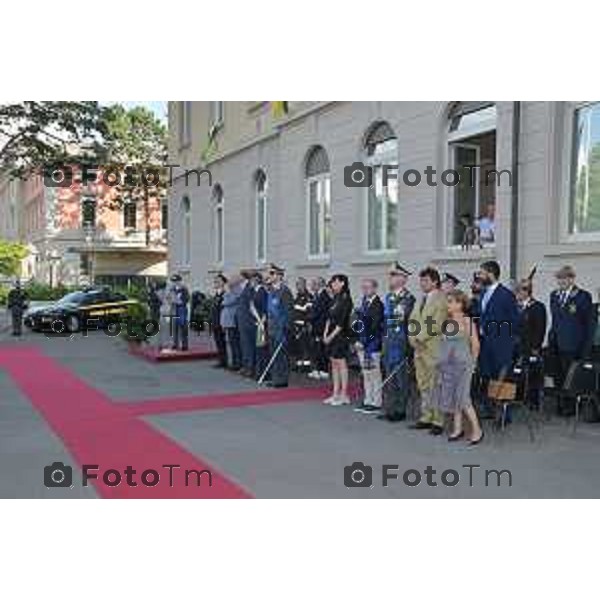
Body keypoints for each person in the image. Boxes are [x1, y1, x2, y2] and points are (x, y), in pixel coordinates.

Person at [432, 290, 484, 444]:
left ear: (460, 304)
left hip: (464, 365)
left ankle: (477, 430)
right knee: (454, 397)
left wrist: (473, 364)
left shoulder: (468, 321)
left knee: (464, 398)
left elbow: (475, 345)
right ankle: (457, 429)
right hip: (448, 365)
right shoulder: (446, 322)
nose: (447, 304)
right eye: (447, 301)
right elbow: (443, 344)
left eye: (451, 301)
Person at [548, 265, 595, 415]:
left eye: (563, 278)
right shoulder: (554, 295)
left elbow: (588, 324)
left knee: (571, 376)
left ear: (571, 279)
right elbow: (555, 319)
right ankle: (561, 403)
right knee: (559, 376)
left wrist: (585, 348)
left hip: (573, 345)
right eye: (558, 278)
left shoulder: (582, 296)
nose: (560, 281)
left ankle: (572, 406)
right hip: (557, 343)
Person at [477, 260, 520, 420]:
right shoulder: (483, 293)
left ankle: (504, 413)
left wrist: (505, 340)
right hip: (485, 343)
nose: (479, 276)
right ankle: (489, 409)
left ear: (490, 273)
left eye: (481, 273)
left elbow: (514, 321)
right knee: (487, 376)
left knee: (502, 378)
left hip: (501, 345)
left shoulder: (506, 295)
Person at [409, 266, 448, 434]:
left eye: (425, 280)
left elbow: (437, 323)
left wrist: (420, 338)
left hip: (433, 348)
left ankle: (438, 420)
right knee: (423, 385)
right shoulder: (421, 299)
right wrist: (413, 339)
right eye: (421, 280)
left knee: (435, 385)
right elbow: (412, 320)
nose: (422, 283)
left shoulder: (441, 300)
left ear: (435, 281)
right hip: (419, 349)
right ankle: (426, 416)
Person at [379, 263, 416, 422]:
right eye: (390, 275)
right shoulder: (388, 297)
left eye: (394, 275)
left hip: (401, 342)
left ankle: (401, 410)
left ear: (403, 279)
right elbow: (386, 321)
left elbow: (406, 322)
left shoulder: (408, 298)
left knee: (401, 378)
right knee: (389, 376)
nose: (391, 278)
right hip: (388, 341)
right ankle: (390, 408)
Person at [353, 278, 385, 414]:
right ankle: (368, 399)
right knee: (366, 374)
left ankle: (376, 402)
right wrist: (357, 339)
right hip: (363, 344)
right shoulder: (364, 303)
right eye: (363, 288)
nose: (365, 290)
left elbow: (374, 326)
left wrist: (363, 342)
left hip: (372, 345)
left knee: (374, 374)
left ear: (375, 288)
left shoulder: (378, 305)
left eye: (368, 288)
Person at [515, 276, 547, 408]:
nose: (517, 293)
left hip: (530, 346)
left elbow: (540, 329)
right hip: (517, 347)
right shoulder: (515, 307)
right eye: (516, 290)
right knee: (517, 372)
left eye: (519, 291)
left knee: (533, 374)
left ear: (527, 291)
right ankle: (518, 396)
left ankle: (533, 400)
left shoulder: (537, 307)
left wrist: (536, 347)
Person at [323, 274, 354, 405]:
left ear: (342, 283)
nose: (332, 285)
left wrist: (330, 336)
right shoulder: (335, 298)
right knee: (334, 364)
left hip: (340, 336)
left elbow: (341, 322)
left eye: (335, 282)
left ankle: (344, 394)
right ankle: (335, 393)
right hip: (330, 334)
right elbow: (329, 317)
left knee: (341, 364)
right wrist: (325, 333)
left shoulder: (346, 299)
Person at [265, 264, 294, 387]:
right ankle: (275, 377)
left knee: (281, 354)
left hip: (281, 328)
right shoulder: (271, 290)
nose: (269, 276)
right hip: (272, 327)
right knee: (273, 353)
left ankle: (282, 379)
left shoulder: (285, 291)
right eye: (269, 273)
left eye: (272, 273)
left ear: (279, 276)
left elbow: (288, 312)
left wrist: (285, 328)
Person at [307, 277, 332, 380]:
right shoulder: (316, 296)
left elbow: (317, 312)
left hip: (321, 327)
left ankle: (324, 370)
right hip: (316, 327)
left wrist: (308, 318)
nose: (312, 286)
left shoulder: (324, 296)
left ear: (320, 284)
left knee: (322, 349)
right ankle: (317, 369)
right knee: (316, 349)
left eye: (314, 283)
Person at [237, 269, 258, 378]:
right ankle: (246, 366)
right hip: (242, 321)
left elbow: (252, 306)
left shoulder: (250, 289)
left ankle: (251, 368)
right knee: (244, 345)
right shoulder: (243, 288)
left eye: (240, 276)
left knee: (250, 346)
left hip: (248, 321)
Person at [250, 272, 269, 381]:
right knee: (259, 348)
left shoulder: (262, 292)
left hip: (261, 324)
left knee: (262, 349)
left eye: (252, 280)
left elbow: (264, 309)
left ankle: (263, 372)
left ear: (256, 280)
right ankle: (259, 371)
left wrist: (261, 322)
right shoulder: (255, 291)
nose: (250, 283)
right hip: (257, 323)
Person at [221, 275, 242, 371]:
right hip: (228, 322)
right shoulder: (232, 291)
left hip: (232, 321)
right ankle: (234, 362)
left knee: (235, 343)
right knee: (231, 343)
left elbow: (227, 301)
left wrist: (228, 292)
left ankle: (237, 363)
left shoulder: (237, 291)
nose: (229, 283)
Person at [291, 277, 314, 370]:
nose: (297, 286)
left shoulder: (308, 297)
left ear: (304, 285)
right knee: (298, 347)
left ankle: (306, 366)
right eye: (297, 284)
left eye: (299, 284)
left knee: (305, 346)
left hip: (303, 326)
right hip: (296, 326)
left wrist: (305, 324)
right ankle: (299, 364)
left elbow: (309, 313)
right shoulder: (297, 297)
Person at [210, 273, 228, 368]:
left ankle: (224, 361)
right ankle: (221, 360)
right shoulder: (216, 294)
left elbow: (223, 309)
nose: (215, 282)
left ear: (223, 283)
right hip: (215, 321)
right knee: (218, 341)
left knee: (222, 342)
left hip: (221, 322)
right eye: (215, 281)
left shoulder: (224, 294)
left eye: (218, 281)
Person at [170, 274, 190, 351]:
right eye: (173, 281)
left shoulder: (184, 289)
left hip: (182, 309)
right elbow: (169, 298)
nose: (174, 283)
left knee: (183, 327)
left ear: (180, 281)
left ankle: (184, 345)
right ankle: (175, 344)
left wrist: (180, 301)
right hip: (174, 309)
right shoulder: (172, 289)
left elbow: (187, 298)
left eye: (176, 281)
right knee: (174, 328)